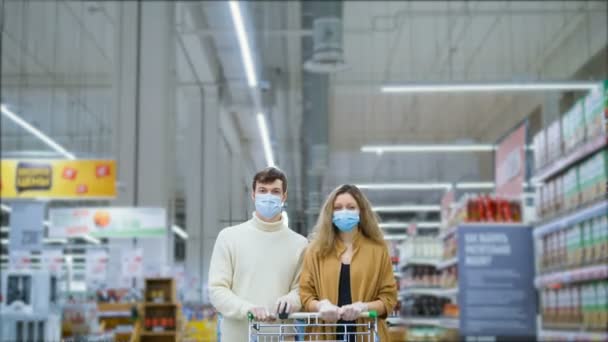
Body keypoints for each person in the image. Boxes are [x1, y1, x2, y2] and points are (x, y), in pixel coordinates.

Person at [208, 167, 308, 341]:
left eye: (275, 191)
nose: (268, 196)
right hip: (238, 336)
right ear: (253, 195)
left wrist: (291, 301)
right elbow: (217, 290)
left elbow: (302, 289)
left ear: (284, 197)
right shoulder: (229, 237)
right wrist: (247, 309)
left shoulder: (300, 244)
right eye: (263, 191)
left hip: (281, 336)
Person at [299, 184, 398, 341]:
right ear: (330, 213)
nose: (344, 212)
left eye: (351, 207)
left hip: (368, 334)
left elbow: (389, 298)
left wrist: (364, 307)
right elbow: (305, 295)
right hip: (324, 334)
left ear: (361, 211)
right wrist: (320, 306)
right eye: (338, 207)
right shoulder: (316, 251)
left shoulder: (378, 250)